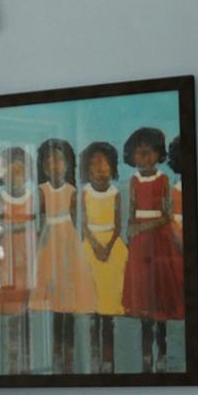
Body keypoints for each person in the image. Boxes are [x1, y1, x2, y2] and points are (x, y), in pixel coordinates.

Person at [120, 126, 186, 373]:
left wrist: (144, 226)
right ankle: (146, 355)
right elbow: (131, 211)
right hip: (139, 243)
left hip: (159, 238)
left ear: (158, 154)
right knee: (143, 297)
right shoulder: (133, 181)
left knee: (159, 295)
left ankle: (163, 353)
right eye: (139, 153)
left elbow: (167, 214)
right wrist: (131, 232)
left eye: (149, 153)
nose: (144, 158)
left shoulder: (163, 179)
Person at [27, 137, 91, 374]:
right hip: (47, 245)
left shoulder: (72, 191)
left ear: (68, 164)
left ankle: (70, 357)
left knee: (68, 297)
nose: (54, 165)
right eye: (48, 161)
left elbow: (76, 222)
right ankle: (55, 355)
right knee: (52, 301)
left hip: (68, 246)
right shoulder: (41, 191)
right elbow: (39, 220)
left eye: (59, 160)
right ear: (43, 166)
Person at [0, 145, 36, 375]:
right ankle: (10, 361)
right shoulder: (0, 198)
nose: (16, 175)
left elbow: (36, 228)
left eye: (20, 170)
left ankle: (26, 361)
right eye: (12, 170)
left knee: (27, 309)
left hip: (27, 258)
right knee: (9, 310)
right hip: (7, 259)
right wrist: (9, 229)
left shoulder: (32, 197)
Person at [78, 139, 126, 372]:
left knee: (109, 309)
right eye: (95, 165)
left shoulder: (116, 193)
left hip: (112, 250)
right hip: (91, 248)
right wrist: (96, 246)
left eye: (105, 165)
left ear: (112, 168)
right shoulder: (84, 193)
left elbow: (118, 225)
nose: (100, 170)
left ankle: (109, 360)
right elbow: (84, 225)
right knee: (92, 310)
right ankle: (94, 357)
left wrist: (108, 246)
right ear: (87, 170)